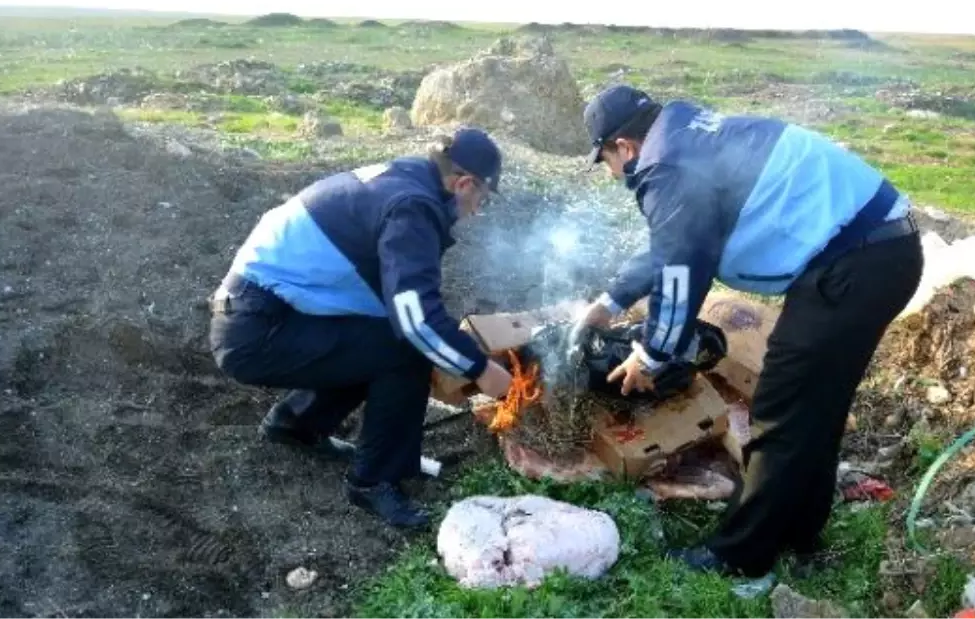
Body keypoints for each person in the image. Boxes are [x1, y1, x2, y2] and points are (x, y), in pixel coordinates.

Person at [570, 84, 925, 578]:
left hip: (857, 262)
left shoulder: (667, 167)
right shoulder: (687, 140)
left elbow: (679, 270)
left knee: (780, 407)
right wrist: (611, 301)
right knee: (814, 404)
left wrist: (652, 354)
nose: (612, 173)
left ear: (624, 147)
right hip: (880, 250)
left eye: (605, 160)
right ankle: (799, 530)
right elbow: (675, 242)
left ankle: (740, 555)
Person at [208, 127, 515, 529]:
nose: (476, 211)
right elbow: (415, 320)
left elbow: (401, 298)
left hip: (263, 311)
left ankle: (295, 425)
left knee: (377, 338)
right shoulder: (412, 207)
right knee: (404, 350)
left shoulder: (406, 180)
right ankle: (373, 481)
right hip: (256, 327)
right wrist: (481, 370)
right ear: (464, 183)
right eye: (481, 200)